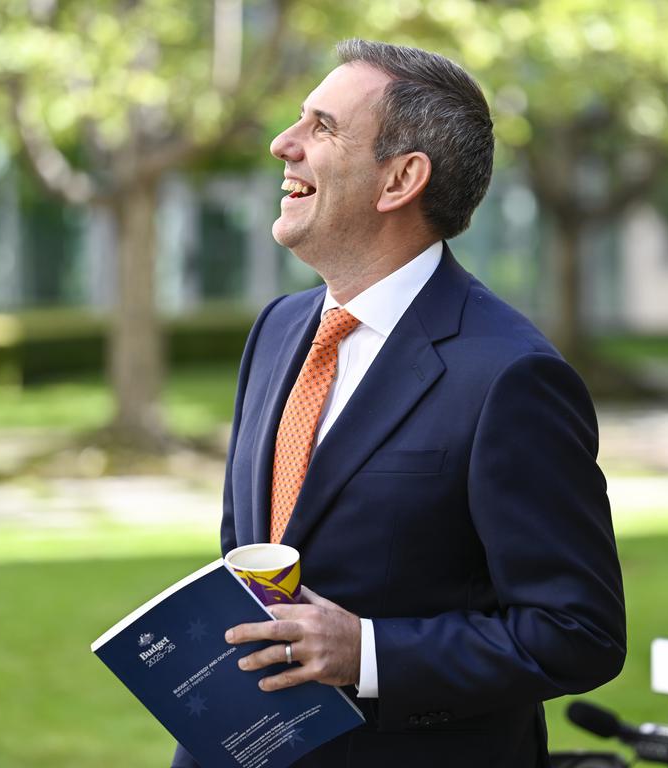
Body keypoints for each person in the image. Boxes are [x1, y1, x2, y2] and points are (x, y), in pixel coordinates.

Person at [172, 39, 626, 768]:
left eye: (321, 127)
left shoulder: (511, 375)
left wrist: (369, 652)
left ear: (401, 179)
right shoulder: (277, 329)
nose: (281, 144)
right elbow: (247, 552)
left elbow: (577, 633)